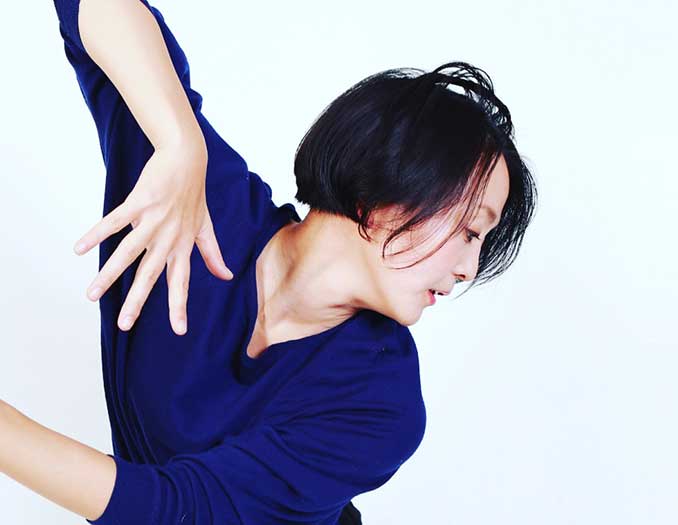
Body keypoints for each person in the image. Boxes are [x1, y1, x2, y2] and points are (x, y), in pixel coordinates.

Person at [0, 0, 536, 524]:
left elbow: (184, 511)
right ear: (391, 187)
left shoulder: (381, 404)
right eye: (470, 230)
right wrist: (180, 143)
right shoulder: (196, 207)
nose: (469, 268)